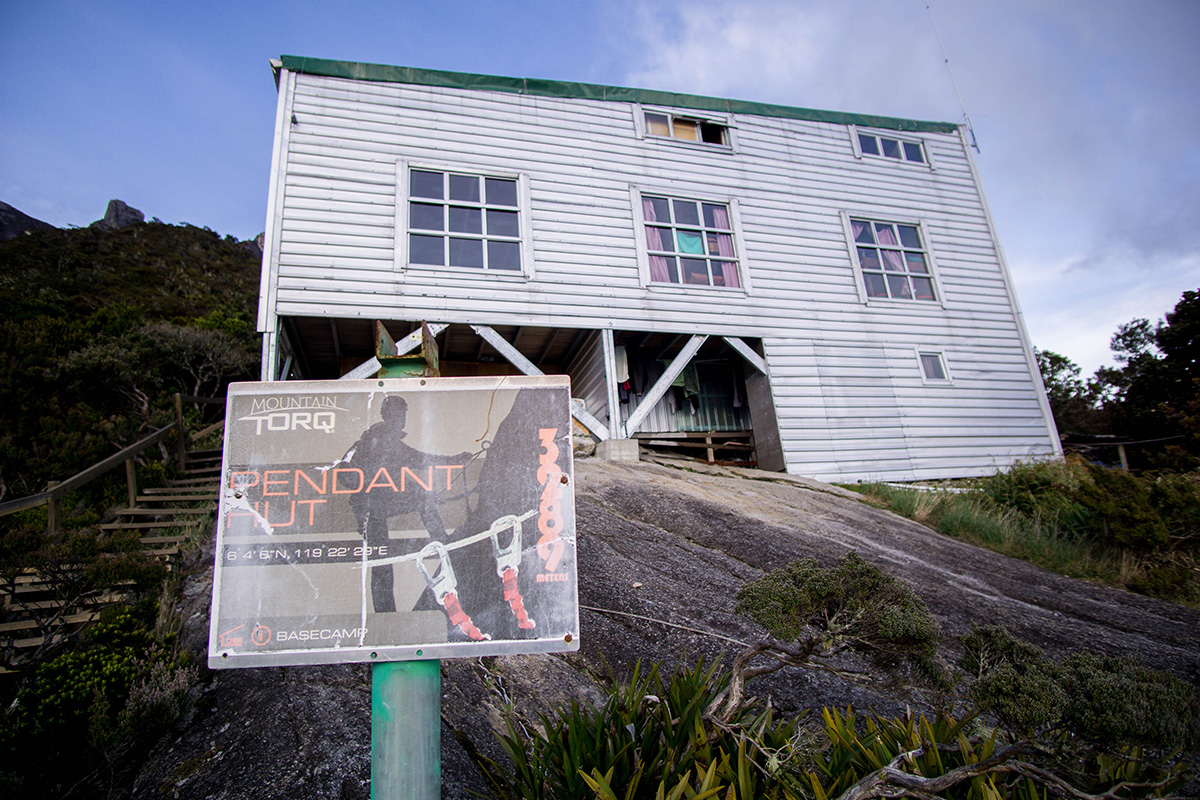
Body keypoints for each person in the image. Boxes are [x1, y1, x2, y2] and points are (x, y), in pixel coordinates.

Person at [344, 395, 471, 612]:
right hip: (370, 509)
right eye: (397, 413)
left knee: (382, 559)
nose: (401, 417)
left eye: (403, 413)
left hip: (374, 505)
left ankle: (385, 612)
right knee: (382, 560)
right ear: (387, 415)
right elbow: (417, 459)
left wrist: (452, 461)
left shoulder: (383, 438)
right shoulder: (378, 439)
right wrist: (452, 461)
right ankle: (442, 542)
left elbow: (412, 462)